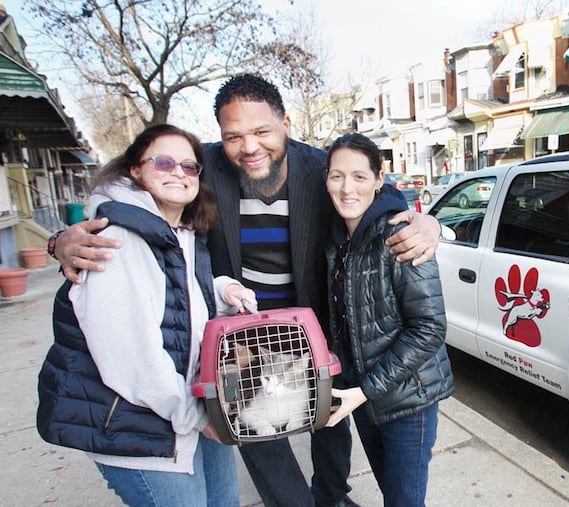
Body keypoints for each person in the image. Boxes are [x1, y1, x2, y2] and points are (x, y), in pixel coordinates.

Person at [49, 75, 442, 507]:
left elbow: (373, 195)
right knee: (257, 433)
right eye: (233, 135)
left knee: (328, 424)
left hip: (313, 329)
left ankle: (331, 496)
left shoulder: (319, 168)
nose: (249, 146)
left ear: (286, 124)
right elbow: (131, 193)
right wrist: (61, 239)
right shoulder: (202, 169)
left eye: (261, 132)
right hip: (239, 337)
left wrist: (430, 223)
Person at [37, 124, 257, 506]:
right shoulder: (117, 240)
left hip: (188, 406)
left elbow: (176, 295)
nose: (179, 172)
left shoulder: (176, 232)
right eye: (165, 162)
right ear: (135, 170)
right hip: (142, 424)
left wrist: (221, 289)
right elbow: (129, 354)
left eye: (190, 167)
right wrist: (197, 418)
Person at [323, 133, 454, 507]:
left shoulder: (401, 234)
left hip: (408, 401)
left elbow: (429, 329)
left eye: (359, 176)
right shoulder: (337, 242)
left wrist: (364, 390)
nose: (347, 188)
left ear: (380, 180)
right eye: (337, 176)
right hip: (365, 398)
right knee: (395, 496)